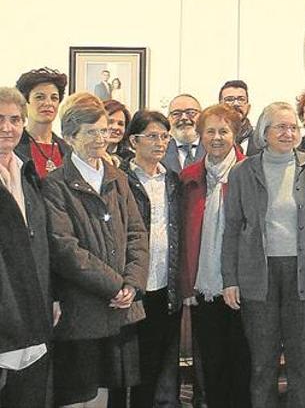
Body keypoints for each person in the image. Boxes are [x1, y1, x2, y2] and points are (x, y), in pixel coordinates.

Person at [222, 102, 305, 408]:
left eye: (293, 127)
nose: (289, 133)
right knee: (262, 364)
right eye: (281, 127)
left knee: (302, 364)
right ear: (265, 133)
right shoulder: (242, 172)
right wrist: (230, 279)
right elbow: (232, 230)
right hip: (258, 277)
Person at [43, 97, 149, 408]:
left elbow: (137, 233)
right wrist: (115, 286)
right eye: (90, 132)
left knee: (111, 393)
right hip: (81, 310)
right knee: (80, 395)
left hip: (121, 310)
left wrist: (131, 284)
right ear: (70, 137)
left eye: (103, 131)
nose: (99, 139)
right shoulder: (55, 184)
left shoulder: (118, 179)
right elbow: (64, 248)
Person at [178, 104, 251, 408]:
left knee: (243, 361)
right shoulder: (188, 178)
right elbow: (181, 236)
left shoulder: (251, 173)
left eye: (224, 131)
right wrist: (185, 286)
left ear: (235, 135)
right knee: (211, 363)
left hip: (244, 286)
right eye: (210, 131)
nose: (217, 137)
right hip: (203, 286)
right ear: (200, 135)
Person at [118, 111, 182, 407]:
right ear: (133, 141)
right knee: (131, 368)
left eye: (165, 137)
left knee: (158, 364)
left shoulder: (172, 180)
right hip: (133, 287)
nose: (160, 143)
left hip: (166, 286)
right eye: (152, 136)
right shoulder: (120, 179)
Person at [0, 87, 54, 408]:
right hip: (3, 306)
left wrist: (53, 295)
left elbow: (42, 240)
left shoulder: (27, 172)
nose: (7, 127)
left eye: (14, 119)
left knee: (28, 394)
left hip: (32, 304)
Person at [15, 67, 70, 178]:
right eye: (40, 97)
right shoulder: (14, 146)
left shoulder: (67, 149)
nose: (48, 103)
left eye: (54, 98)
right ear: (25, 102)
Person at [165, 94, 205, 174]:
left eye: (191, 113)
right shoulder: (161, 151)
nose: (184, 118)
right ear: (168, 119)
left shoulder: (213, 148)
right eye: (176, 114)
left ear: (202, 117)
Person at [219, 80, 259, 155]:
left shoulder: (262, 142)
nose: (236, 104)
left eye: (241, 99)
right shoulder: (208, 140)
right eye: (229, 99)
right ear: (219, 106)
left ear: (248, 107)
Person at [104, 100, 133, 166]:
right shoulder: (89, 156)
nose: (115, 127)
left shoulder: (131, 159)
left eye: (120, 124)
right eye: (110, 122)